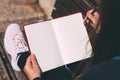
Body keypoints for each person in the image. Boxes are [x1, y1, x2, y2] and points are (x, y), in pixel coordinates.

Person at [4, 0, 120, 80]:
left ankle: (21, 58)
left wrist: (35, 78)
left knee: (47, 64)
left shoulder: (99, 73)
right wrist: (105, 28)